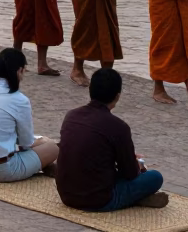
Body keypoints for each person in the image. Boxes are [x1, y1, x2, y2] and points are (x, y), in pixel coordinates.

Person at [56, 67, 167, 211]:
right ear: (117, 96)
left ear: (90, 90)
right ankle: (138, 198)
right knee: (155, 177)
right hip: (98, 200)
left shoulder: (71, 116)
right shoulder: (119, 127)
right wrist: (137, 164)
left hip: (66, 194)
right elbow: (130, 173)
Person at [0, 47, 58, 183]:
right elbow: (26, 143)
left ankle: (41, 164)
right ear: (19, 71)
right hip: (2, 170)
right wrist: (41, 141)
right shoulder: (20, 100)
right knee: (52, 147)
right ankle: (43, 164)